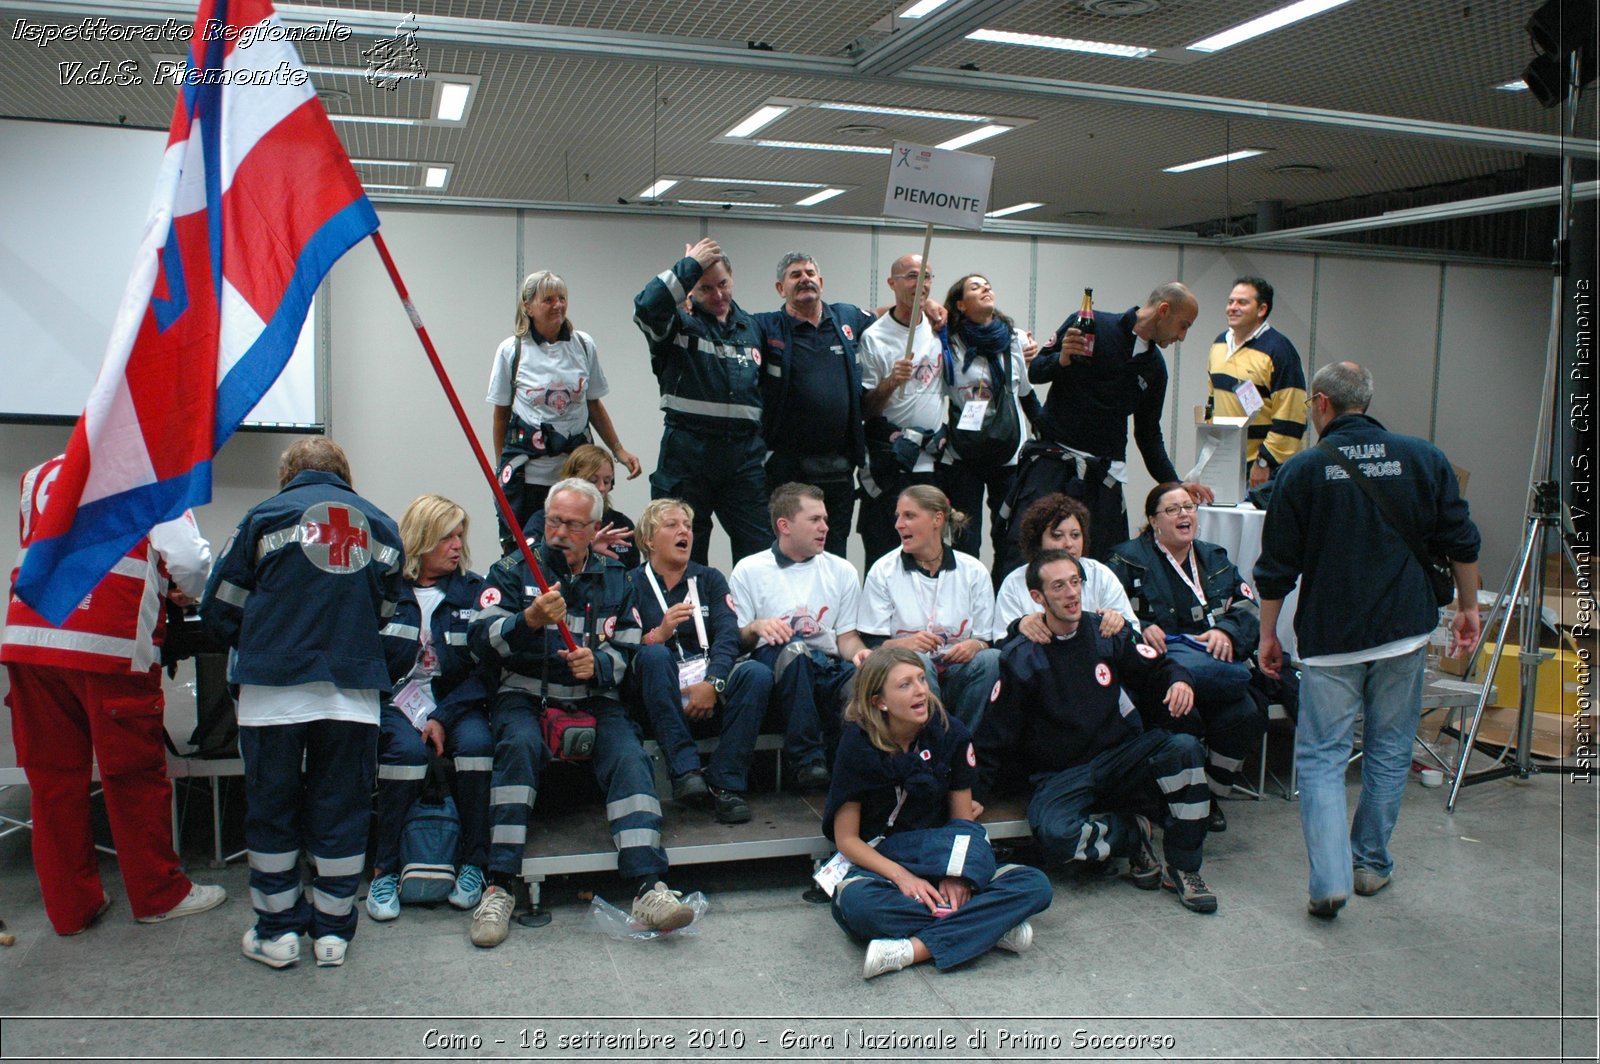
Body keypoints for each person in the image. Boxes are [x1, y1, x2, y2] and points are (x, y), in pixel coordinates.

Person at [1254, 362, 1482, 918]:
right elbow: (1461, 540)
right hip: (1404, 629)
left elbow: (1277, 565)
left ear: (1322, 403)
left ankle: (1329, 880)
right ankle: (1371, 863)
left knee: (1322, 756)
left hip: (1332, 635)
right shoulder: (1424, 457)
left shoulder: (1303, 469)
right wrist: (1469, 608)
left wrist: (1267, 634)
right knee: (1388, 744)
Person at [201, 439, 404, 969]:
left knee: (273, 809)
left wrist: (261, 644)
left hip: (273, 693)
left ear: (287, 475)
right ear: (345, 473)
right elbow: (395, 621)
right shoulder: (381, 525)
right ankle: (333, 934)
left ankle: (278, 933)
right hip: (352, 695)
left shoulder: (263, 518)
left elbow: (219, 606)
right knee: (342, 808)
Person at [2, 456, 226, 935]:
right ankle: (158, 895)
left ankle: (71, 910)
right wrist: (186, 590)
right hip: (108, 640)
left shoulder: (35, 475)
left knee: (54, 782)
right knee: (134, 774)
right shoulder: (152, 470)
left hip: (30, 638)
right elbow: (188, 561)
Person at [467, 477, 693, 948]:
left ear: (594, 530)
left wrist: (600, 664)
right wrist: (527, 620)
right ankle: (500, 885)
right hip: (526, 695)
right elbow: (480, 640)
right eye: (554, 521)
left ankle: (649, 886)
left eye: (572, 524)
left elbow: (632, 645)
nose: (559, 532)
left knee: (630, 756)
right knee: (518, 746)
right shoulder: (511, 570)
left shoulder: (616, 578)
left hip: (593, 698)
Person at [976, 549, 1218, 913]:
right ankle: (1131, 834)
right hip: (1062, 775)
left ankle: (1184, 868)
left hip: (1118, 758)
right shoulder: (1022, 656)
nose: (1072, 593)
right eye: (1059, 586)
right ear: (1037, 598)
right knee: (1056, 837)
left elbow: (1161, 668)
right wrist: (973, 792)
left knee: (1184, 748)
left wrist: (1181, 681)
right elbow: (995, 734)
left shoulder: (1107, 632)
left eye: (1076, 582)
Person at [823, 646, 1052, 979]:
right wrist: (902, 877)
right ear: (879, 702)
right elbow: (847, 840)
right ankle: (990, 926)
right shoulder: (857, 744)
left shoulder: (950, 732)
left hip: (941, 852)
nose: (921, 690)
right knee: (857, 906)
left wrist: (956, 876)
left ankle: (912, 950)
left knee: (1035, 885)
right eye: (905, 685)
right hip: (887, 862)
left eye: (921, 679)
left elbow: (962, 820)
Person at [1015, 282, 1213, 567]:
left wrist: (1175, 486)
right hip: (1052, 464)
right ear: (1164, 310)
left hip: (1104, 477)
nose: (1182, 336)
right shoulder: (1091, 325)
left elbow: (1148, 435)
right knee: (1037, 555)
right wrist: (1062, 359)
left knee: (1107, 563)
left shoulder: (1155, 368)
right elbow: (1036, 371)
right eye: (1183, 326)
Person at [1107, 483, 1267, 834]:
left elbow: (1247, 607)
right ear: (1153, 521)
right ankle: (1172, 795)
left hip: (1214, 667)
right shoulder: (1125, 560)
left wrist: (1227, 631)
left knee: (1247, 713)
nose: (1184, 515)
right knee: (1182, 713)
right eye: (1173, 509)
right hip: (1160, 669)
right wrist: (1142, 626)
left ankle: (1210, 793)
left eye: (1189, 508)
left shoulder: (1215, 558)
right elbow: (1109, 614)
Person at [366, 495, 493, 924]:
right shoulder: (386, 591)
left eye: (460, 536)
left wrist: (442, 716)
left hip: (456, 702)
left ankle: (474, 864)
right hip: (396, 703)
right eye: (446, 537)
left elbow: (486, 672)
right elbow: (370, 661)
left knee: (476, 746)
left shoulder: (474, 592)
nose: (457, 545)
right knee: (404, 754)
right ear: (420, 540)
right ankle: (386, 869)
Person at [616, 499, 770, 825]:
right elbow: (618, 644)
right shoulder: (629, 584)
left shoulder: (710, 579)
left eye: (687, 525)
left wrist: (711, 684)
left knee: (756, 673)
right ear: (648, 540)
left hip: (707, 688)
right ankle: (685, 770)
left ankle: (724, 784)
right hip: (657, 695)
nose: (684, 531)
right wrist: (659, 633)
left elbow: (728, 637)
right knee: (654, 655)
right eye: (672, 525)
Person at [632, 237, 770, 564]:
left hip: (744, 460)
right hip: (687, 455)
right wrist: (688, 267)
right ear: (690, 291)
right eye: (706, 288)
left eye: (723, 284)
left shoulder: (752, 328)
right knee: (681, 556)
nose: (718, 294)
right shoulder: (678, 325)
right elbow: (646, 307)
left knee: (762, 556)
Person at [727, 482, 869, 790]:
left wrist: (860, 653)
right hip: (776, 662)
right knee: (796, 651)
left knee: (865, 678)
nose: (825, 528)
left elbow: (846, 637)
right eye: (815, 520)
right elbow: (736, 643)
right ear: (784, 525)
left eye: (826, 519)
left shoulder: (843, 570)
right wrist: (755, 627)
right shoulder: (749, 569)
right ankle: (807, 762)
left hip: (826, 663)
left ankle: (857, 775)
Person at [487, 269, 640, 552]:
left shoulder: (583, 345)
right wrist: (501, 468)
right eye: (548, 300)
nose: (558, 305)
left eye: (562, 298)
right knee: (528, 548)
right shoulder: (513, 351)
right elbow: (501, 415)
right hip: (530, 474)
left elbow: (593, 403)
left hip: (577, 472)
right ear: (528, 306)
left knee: (579, 545)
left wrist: (618, 449)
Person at [753, 253, 876, 557]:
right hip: (786, 467)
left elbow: (886, 316)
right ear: (781, 288)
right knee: (788, 550)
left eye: (810, 273)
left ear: (820, 282)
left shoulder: (846, 317)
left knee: (833, 552)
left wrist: (929, 308)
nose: (804, 278)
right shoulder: (765, 326)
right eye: (795, 275)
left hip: (838, 466)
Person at [857, 486, 999, 733]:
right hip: (907, 673)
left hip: (958, 670)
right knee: (918, 663)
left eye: (909, 516)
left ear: (937, 519)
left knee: (991, 660)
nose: (899, 525)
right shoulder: (883, 571)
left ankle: (962, 741)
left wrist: (974, 645)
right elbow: (872, 643)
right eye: (898, 516)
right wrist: (906, 645)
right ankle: (932, 742)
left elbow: (986, 640)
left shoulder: (973, 571)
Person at [938, 274, 1038, 576]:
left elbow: (1026, 394)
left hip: (1008, 453)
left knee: (1010, 536)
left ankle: (1003, 605)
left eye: (988, 285)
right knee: (965, 536)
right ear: (960, 304)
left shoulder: (1014, 339)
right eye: (975, 287)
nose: (986, 289)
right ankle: (967, 602)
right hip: (964, 454)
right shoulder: (947, 342)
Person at [857, 253, 946, 563]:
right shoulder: (875, 337)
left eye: (927, 276)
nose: (920, 283)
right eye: (911, 275)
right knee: (885, 554)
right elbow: (865, 409)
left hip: (932, 464)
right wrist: (891, 382)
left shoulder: (939, 328)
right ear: (892, 283)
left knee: (930, 555)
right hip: (890, 463)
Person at [1205, 277, 1308, 488]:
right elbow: (1212, 400)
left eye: (1242, 302)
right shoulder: (1219, 344)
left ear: (1261, 309)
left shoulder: (1279, 350)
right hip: (1227, 462)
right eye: (1230, 301)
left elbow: (1292, 417)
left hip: (1267, 470)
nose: (1232, 308)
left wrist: (1265, 462)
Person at [995, 493, 1138, 637]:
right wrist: (1018, 627)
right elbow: (1001, 642)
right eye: (1057, 536)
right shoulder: (1014, 583)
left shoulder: (1100, 574)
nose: (1069, 544)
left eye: (1075, 535)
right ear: (1037, 541)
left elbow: (1135, 633)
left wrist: (1119, 623)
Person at [522, 444, 636, 563]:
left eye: (607, 481)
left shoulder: (622, 524)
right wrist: (587, 550)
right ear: (573, 480)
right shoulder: (544, 520)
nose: (602, 488)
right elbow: (526, 565)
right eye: (593, 481)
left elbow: (630, 576)